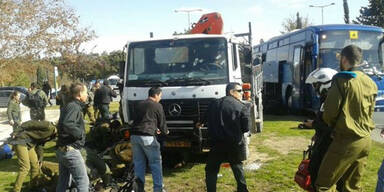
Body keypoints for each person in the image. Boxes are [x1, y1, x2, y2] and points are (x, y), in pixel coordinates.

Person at [315, 45, 378, 191]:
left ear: (344, 59)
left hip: (346, 140)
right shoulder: (370, 82)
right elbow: (370, 112)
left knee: (324, 184)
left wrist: (328, 125)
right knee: (351, 187)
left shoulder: (341, 80)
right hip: (365, 140)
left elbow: (330, 112)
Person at [204, 82, 250, 192]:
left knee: (211, 169)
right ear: (231, 92)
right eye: (239, 91)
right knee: (237, 166)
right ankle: (242, 189)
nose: (242, 93)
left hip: (216, 143)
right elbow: (246, 128)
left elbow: (205, 120)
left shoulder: (213, 104)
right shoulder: (241, 106)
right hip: (234, 143)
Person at [302, 68, 342, 189]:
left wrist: (313, 124)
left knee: (318, 175)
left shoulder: (330, 100)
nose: (315, 88)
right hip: (324, 141)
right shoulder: (329, 98)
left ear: (325, 83)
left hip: (327, 144)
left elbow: (328, 124)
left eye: (316, 85)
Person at [130, 87, 169, 192]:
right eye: (160, 96)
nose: (160, 98)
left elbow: (140, 120)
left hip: (134, 136)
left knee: (139, 164)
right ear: (156, 95)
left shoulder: (139, 104)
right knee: (155, 163)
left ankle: (138, 189)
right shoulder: (157, 105)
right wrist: (166, 132)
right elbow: (162, 123)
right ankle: (158, 188)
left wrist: (155, 129)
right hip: (147, 137)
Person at [56, 82, 89, 192]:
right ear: (79, 94)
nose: (87, 95)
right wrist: (80, 134)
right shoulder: (73, 106)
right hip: (70, 151)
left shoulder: (70, 105)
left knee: (63, 182)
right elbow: (68, 123)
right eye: (86, 92)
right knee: (83, 181)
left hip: (63, 150)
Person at [8, 120, 57, 192]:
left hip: (30, 144)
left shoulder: (52, 136)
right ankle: (16, 190)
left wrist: (40, 158)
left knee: (36, 165)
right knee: (25, 168)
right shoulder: (47, 126)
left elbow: (40, 145)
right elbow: (29, 123)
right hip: (21, 141)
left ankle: (33, 187)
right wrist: (16, 131)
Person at [22, 82, 49, 165]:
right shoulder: (41, 92)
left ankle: (34, 152)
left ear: (32, 87)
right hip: (41, 112)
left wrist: (30, 104)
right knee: (41, 130)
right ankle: (40, 152)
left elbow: (24, 102)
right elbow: (46, 102)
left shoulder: (30, 93)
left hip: (33, 113)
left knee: (34, 130)